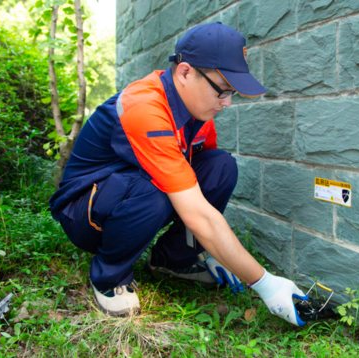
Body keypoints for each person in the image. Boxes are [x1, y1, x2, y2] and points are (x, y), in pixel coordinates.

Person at [49, 22, 308, 326]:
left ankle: (173, 259)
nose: (227, 103)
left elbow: (204, 180)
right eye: (223, 90)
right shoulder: (145, 107)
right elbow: (197, 212)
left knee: (221, 166)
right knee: (157, 189)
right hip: (86, 212)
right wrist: (266, 283)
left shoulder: (198, 113)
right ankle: (109, 275)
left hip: (129, 194)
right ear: (185, 72)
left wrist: (215, 251)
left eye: (232, 93)